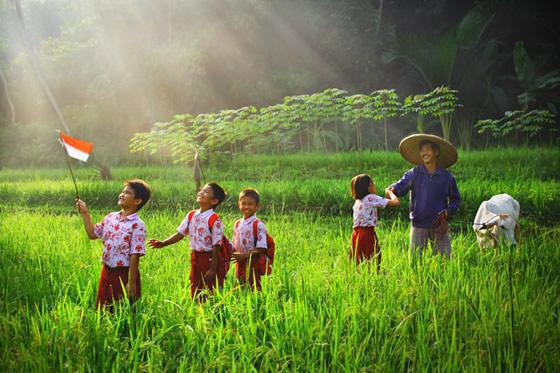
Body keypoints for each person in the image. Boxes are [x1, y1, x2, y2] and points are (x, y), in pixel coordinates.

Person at [75, 179, 151, 310]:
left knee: (122, 310)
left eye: (127, 193)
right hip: (107, 270)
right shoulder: (110, 217)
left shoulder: (137, 225)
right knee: (103, 308)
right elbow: (92, 234)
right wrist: (85, 213)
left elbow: (135, 254)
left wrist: (131, 283)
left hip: (124, 273)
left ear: (137, 201)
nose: (122, 194)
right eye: (122, 191)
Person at [148, 183, 227, 299]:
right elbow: (180, 234)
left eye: (206, 192)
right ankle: (197, 309)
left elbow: (217, 245)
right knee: (195, 284)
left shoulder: (214, 219)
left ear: (214, 201)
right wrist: (163, 243)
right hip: (195, 256)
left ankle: (210, 311)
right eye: (201, 190)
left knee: (209, 287)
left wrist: (213, 268)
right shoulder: (191, 215)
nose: (200, 192)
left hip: (209, 258)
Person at [387, 134, 461, 257]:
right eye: (422, 151)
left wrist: (449, 211)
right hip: (418, 225)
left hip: (439, 225)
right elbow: (398, 187)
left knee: (445, 261)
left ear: (436, 152)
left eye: (428, 150)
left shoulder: (447, 177)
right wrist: (391, 190)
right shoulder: (414, 174)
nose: (424, 153)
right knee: (416, 262)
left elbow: (456, 199)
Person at [350, 174, 399, 270]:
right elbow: (396, 202)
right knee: (373, 259)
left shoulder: (357, 201)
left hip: (356, 234)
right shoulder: (371, 197)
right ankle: (372, 278)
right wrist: (389, 193)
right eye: (373, 183)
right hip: (367, 233)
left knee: (358, 260)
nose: (375, 185)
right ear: (368, 187)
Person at [232, 188, 268, 291]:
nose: (246, 207)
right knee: (240, 285)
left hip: (253, 262)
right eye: (243, 203)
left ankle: (257, 305)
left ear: (257, 206)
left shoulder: (258, 225)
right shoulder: (237, 224)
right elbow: (234, 244)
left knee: (254, 287)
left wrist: (245, 255)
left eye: (250, 204)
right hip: (240, 262)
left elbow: (262, 248)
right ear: (239, 205)